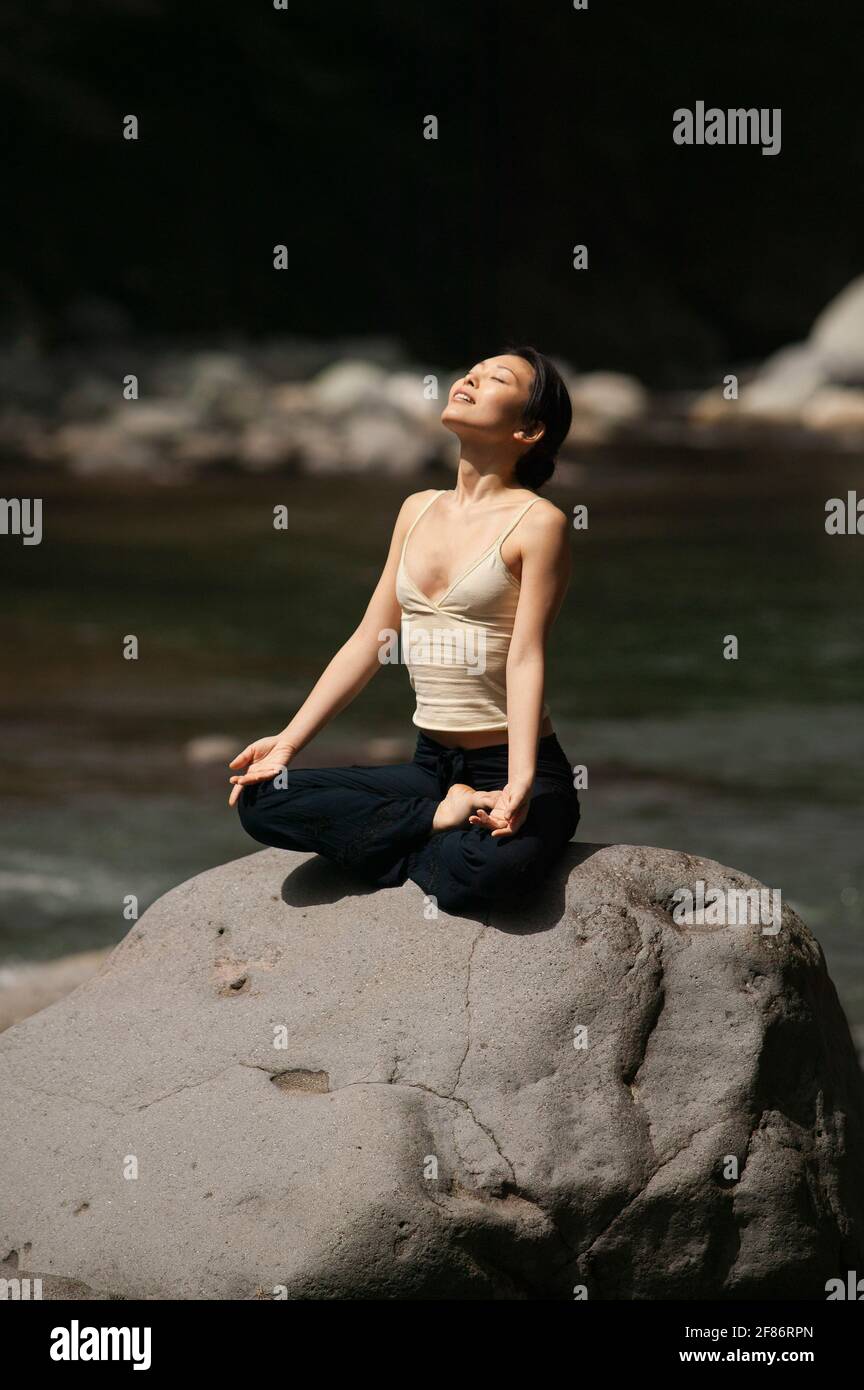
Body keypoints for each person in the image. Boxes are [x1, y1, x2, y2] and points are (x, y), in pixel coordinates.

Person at [229, 345, 580, 916]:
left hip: (513, 764)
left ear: (529, 429)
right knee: (262, 799)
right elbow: (372, 637)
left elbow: (526, 657)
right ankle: (440, 821)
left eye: (497, 379)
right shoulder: (417, 508)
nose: (470, 377)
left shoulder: (539, 524)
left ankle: (407, 839)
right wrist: (287, 742)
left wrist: (519, 782)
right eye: (472, 369)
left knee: (487, 875)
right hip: (431, 770)